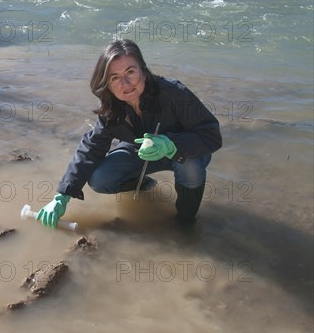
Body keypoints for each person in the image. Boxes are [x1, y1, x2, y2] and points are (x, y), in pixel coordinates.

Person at [36, 39, 222, 228]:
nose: (125, 84)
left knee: (190, 167)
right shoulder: (110, 109)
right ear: (106, 84)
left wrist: (171, 144)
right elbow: (91, 148)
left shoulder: (174, 93)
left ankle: (186, 220)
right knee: (100, 179)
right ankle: (145, 185)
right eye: (114, 77)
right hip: (140, 151)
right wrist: (63, 195)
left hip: (186, 150)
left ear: (143, 69)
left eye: (130, 72)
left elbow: (211, 135)